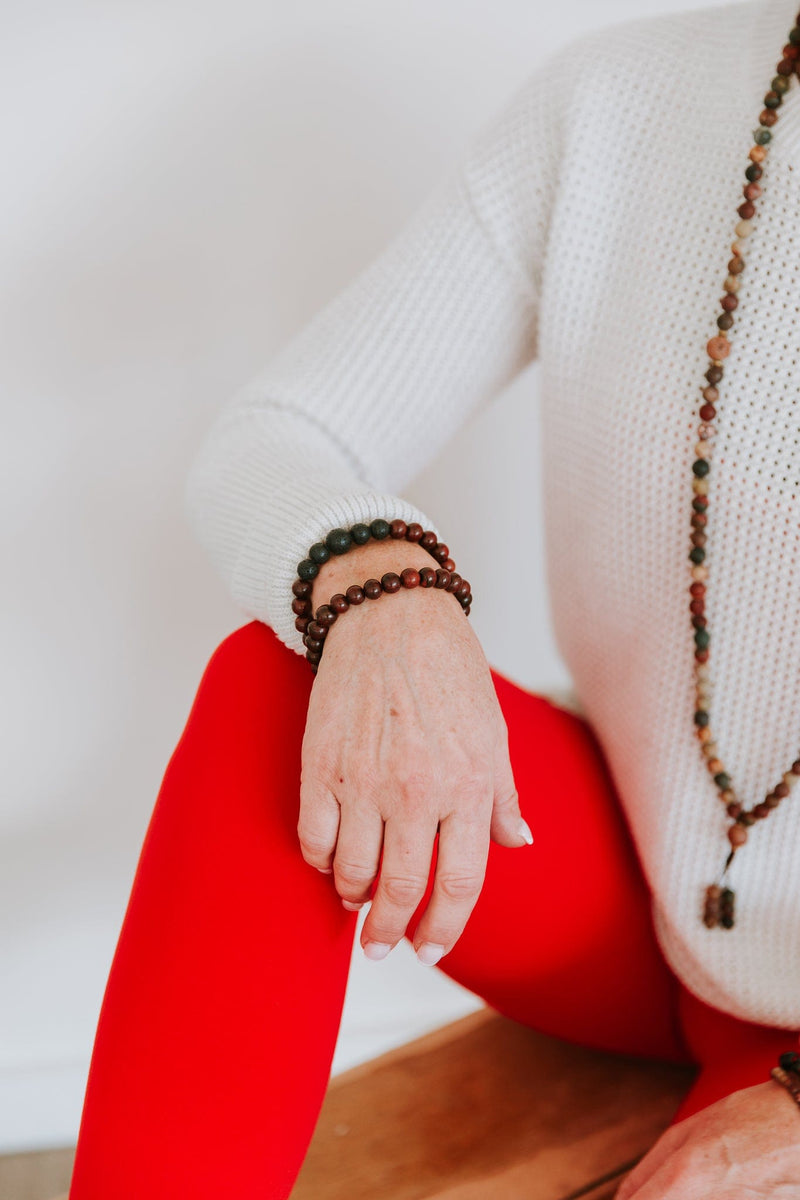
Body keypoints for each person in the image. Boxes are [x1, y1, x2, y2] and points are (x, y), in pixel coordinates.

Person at [69, 0, 800, 1194]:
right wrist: (384, 591)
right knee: (287, 684)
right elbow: (281, 432)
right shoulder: (624, 100)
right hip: (649, 911)